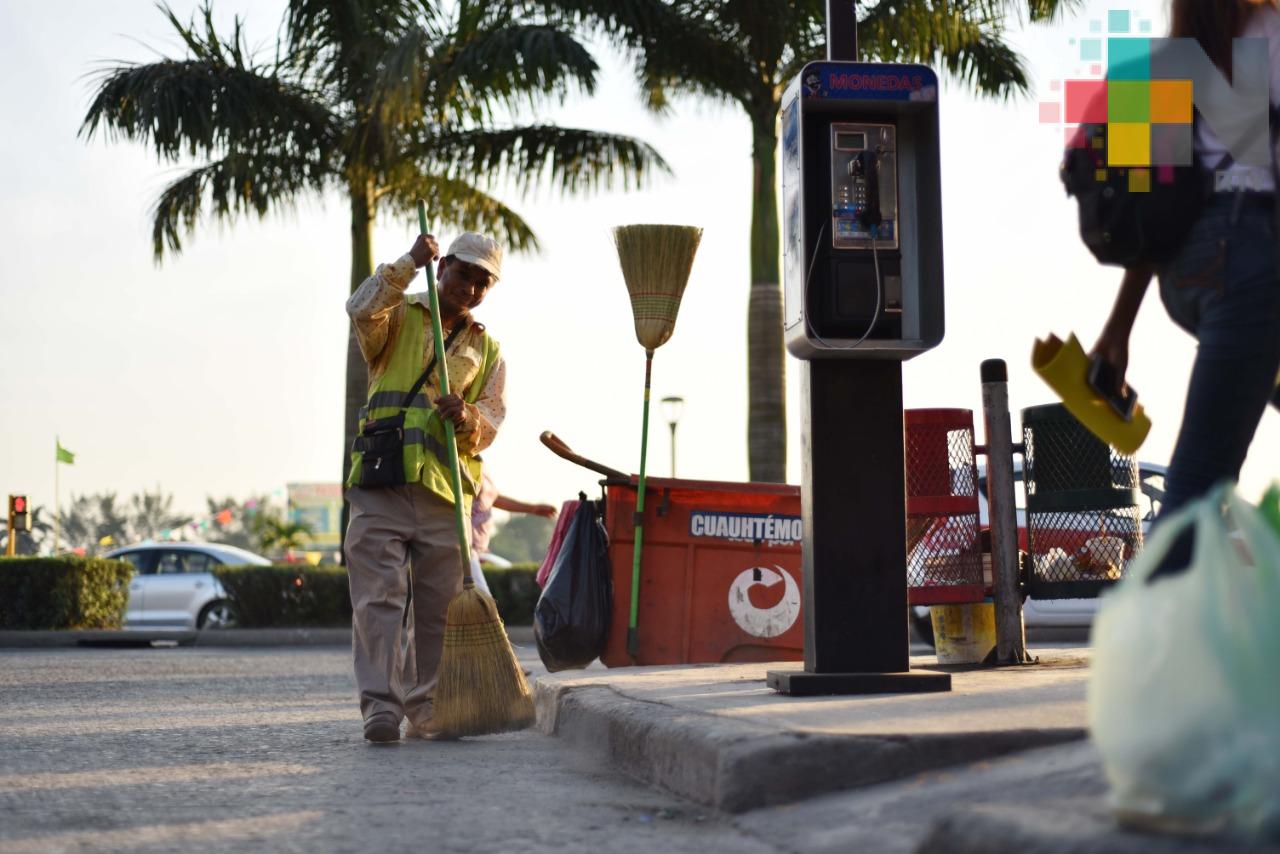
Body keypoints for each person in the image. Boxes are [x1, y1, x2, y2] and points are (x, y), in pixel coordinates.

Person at [1091, 0, 1280, 530]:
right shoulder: (1267, 34)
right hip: (1250, 267)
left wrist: (1118, 329)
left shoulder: (1157, 61)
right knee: (1197, 488)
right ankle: (1155, 607)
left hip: (1187, 278)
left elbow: (1150, 220)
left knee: (1199, 480)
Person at [344, 230, 506, 743]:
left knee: (439, 608)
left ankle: (428, 704)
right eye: (464, 275)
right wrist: (408, 263)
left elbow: (492, 421)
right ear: (444, 270)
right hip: (381, 482)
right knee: (379, 600)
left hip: (445, 491)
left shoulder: (489, 349)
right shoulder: (397, 314)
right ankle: (381, 709)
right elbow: (358, 309)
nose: (472, 289)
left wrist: (468, 416)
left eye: (484, 282)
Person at [467, 470, 557, 595]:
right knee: (482, 603)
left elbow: (493, 498)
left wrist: (531, 508)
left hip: (474, 548)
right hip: (461, 544)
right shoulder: (459, 461)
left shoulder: (480, 466)